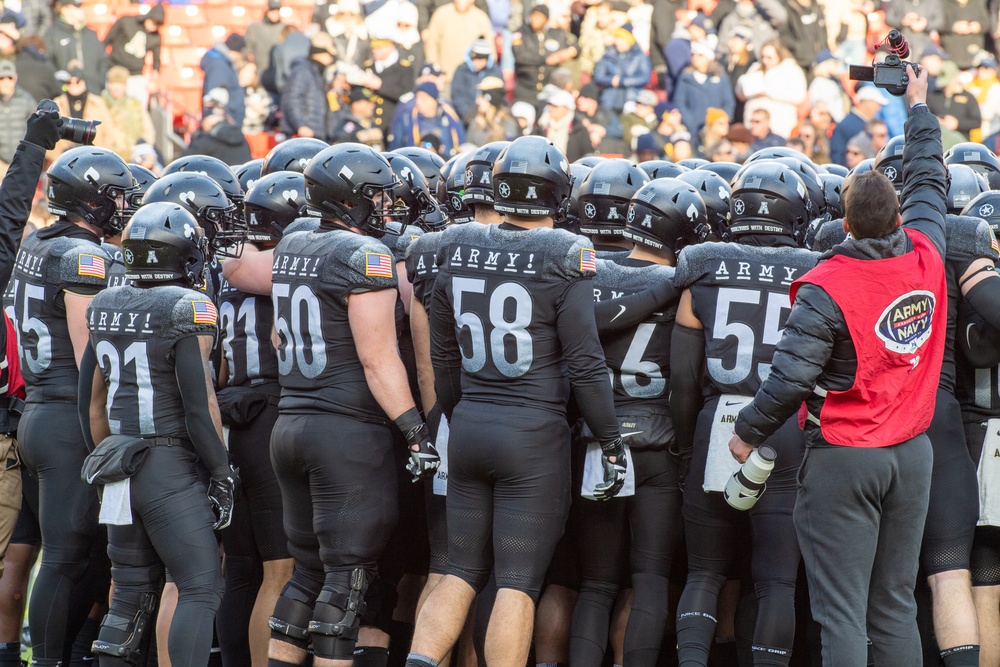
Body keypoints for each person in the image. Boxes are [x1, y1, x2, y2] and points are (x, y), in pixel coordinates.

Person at [728, 65, 948, 666]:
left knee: (843, 613)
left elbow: (792, 376)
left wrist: (747, 432)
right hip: (913, 453)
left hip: (846, 457)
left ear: (843, 223)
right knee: (895, 604)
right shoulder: (929, 249)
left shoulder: (827, 283)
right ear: (901, 215)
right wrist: (919, 105)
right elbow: (931, 172)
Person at [405, 134, 624, 667]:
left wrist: (461, 412)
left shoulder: (454, 244)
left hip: (471, 424)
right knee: (518, 582)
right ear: (556, 195)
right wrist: (611, 439)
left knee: (459, 570)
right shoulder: (564, 252)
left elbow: (442, 355)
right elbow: (586, 363)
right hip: (533, 435)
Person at [262, 143, 439, 667]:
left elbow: (278, 337)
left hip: (291, 423)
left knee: (307, 573)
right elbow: (379, 359)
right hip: (346, 436)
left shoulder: (293, 241)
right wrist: (414, 430)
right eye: (376, 197)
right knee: (347, 581)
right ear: (347, 198)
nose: (386, 207)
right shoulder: (365, 255)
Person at [670, 159, 817, 667]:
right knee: (776, 579)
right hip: (786, 425)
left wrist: (687, 447)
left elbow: (684, 380)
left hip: (718, 421)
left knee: (704, 572)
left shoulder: (703, 266)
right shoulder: (817, 270)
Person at [78, 202, 234, 666]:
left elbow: (90, 402)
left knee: (128, 594)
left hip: (120, 460)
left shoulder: (104, 302)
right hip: (168, 464)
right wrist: (222, 472)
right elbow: (199, 405)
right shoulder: (188, 305)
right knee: (201, 586)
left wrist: (105, 460)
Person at [4, 144, 133, 667]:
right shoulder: (84, 256)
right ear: (93, 200)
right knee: (65, 557)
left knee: (78, 555)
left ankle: (69, 655)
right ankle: (53, 659)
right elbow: (90, 356)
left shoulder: (39, 241)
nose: (123, 206)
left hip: (38, 409)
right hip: (68, 416)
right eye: (116, 196)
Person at [568, 177, 695, 667]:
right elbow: (687, 377)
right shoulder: (684, 284)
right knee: (650, 578)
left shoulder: (587, 272)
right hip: (659, 443)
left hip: (601, 437)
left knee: (596, 584)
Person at [215, 174, 303, 667]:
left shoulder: (231, 270)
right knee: (279, 568)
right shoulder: (284, 269)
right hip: (271, 414)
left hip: (235, 415)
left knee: (241, 568)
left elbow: (224, 368)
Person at [736, 39, 806, 140]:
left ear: (779, 55)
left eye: (769, 57)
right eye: (763, 57)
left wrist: (768, 91)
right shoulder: (755, 67)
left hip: (779, 125)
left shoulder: (791, 69)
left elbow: (799, 96)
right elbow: (740, 92)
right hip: (753, 126)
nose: (765, 61)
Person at [512, 5, 578, 105]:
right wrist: (545, 60)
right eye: (533, 16)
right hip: (526, 86)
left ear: (546, 19)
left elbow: (575, 46)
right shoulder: (521, 32)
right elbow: (520, 56)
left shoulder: (555, 33)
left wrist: (569, 52)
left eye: (539, 17)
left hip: (549, 86)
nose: (535, 20)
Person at [673, 41, 735, 144]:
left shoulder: (720, 77)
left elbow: (728, 102)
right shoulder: (685, 78)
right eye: (693, 55)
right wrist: (690, 121)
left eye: (700, 55)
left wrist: (721, 121)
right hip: (693, 129)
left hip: (715, 130)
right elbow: (679, 102)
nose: (695, 58)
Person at [102, 2, 164, 105]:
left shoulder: (156, 37)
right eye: (153, 22)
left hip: (135, 74)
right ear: (148, 17)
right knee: (111, 104)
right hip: (115, 68)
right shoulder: (126, 22)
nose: (154, 27)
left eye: (158, 24)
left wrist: (156, 70)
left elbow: (156, 58)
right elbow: (106, 41)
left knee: (139, 104)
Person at [50, 68, 116, 160]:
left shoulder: (98, 103)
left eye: (77, 81)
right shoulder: (57, 104)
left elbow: (109, 133)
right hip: (64, 159)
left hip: (95, 157)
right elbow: (50, 135)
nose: (73, 85)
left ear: (84, 82)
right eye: (69, 82)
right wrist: (57, 158)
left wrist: (102, 156)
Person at [280, 32, 336, 140]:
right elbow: (293, 98)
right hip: (304, 135)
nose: (331, 59)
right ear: (320, 53)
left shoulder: (316, 72)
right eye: (329, 54)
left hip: (315, 134)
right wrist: (301, 125)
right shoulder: (303, 70)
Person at [422, 0, 493, 85]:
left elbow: (491, 51)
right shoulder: (441, 14)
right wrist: (434, 71)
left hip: (473, 80)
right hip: (446, 78)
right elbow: (431, 46)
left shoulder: (481, 18)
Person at [44, 0, 107, 94]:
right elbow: (47, 63)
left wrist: (98, 84)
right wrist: (62, 86)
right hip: (64, 97)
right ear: (64, 10)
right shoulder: (52, 35)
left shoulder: (91, 34)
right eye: (77, 7)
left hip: (92, 95)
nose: (82, 10)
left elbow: (103, 62)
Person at [389, 81, 465, 156]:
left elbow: (461, 144)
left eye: (424, 99)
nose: (419, 102)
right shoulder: (407, 119)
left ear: (435, 101)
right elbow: (395, 147)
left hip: (446, 162)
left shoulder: (449, 117)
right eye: (417, 98)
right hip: (415, 163)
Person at [181, 89, 252, 165]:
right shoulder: (242, 138)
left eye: (208, 109)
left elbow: (181, 165)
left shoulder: (206, 142)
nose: (205, 113)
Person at [592, 25, 651, 114]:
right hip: (609, 98)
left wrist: (622, 81)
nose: (617, 42)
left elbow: (644, 77)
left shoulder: (639, 56)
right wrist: (611, 80)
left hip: (631, 98)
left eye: (621, 40)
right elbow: (598, 76)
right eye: (617, 39)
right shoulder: (608, 55)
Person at [101, 66, 156, 162]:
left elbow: (148, 130)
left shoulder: (136, 105)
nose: (116, 87)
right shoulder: (100, 104)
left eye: (120, 84)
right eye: (113, 83)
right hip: (109, 157)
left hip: (135, 157)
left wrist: (142, 147)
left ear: (125, 85)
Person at [830, 85, 889, 166]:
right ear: (867, 103)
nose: (879, 109)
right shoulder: (847, 125)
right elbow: (837, 156)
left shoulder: (863, 123)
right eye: (877, 104)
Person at [201, 34, 247, 129]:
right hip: (225, 125)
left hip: (226, 122)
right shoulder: (220, 65)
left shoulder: (221, 63)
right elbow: (216, 96)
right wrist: (219, 123)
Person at [450, 38, 502, 123]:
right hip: (467, 118)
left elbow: (499, 94)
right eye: (476, 59)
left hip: (490, 117)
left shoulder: (494, 71)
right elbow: (457, 96)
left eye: (482, 60)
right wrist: (468, 115)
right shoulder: (462, 70)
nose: (478, 63)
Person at [0, 60, 35, 180]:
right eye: (2, 78)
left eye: (9, 78)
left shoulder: (27, 100)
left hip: (21, 162)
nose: (5, 82)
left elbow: (37, 128)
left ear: (15, 79)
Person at [465, 77, 518, 145]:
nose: (477, 101)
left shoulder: (507, 124)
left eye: (482, 96)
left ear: (490, 99)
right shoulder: (476, 123)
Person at [244, 0, 287, 76]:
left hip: (279, 74)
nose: (275, 13)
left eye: (277, 10)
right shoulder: (254, 28)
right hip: (260, 72)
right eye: (272, 10)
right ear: (267, 10)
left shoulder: (285, 28)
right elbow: (247, 50)